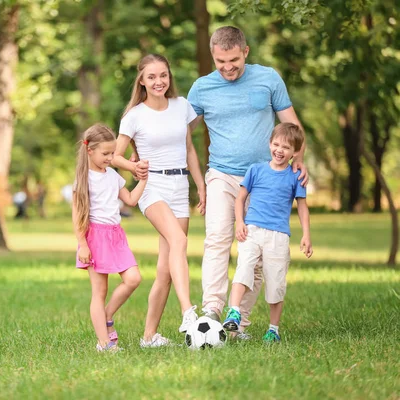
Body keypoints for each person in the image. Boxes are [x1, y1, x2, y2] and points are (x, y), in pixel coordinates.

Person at [187, 26, 308, 338]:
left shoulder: (268, 78)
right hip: (221, 174)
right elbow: (180, 132)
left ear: (246, 52)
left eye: (234, 60)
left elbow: (292, 124)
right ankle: (211, 309)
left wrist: (299, 159)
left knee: (254, 251)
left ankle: (238, 321)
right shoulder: (202, 88)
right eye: (220, 61)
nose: (227, 67)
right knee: (216, 238)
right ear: (213, 57)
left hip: (262, 179)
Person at [112, 54, 206, 348]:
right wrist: (133, 167)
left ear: (169, 76)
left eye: (163, 75)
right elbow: (114, 156)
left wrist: (200, 186)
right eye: (151, 77)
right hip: (152, 186)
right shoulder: (134, 115)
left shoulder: (182, 107)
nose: (158, 82)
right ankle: (188, 312)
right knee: (179, 241)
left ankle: (149, 336)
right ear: (141, 80)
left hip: (180, 186)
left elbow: (189, 148)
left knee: (166, 270)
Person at [222, 123, 313, 342]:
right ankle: (233, 311)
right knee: (244, 267)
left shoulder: (295, 177)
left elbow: (302, 206)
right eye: (276, 144)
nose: (280, 150)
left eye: (286, 147)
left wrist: (306, 235)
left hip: (278, 236)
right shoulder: (256, 169)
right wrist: (239, 223)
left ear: (294, 152)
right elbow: (241, 198)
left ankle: (273, 329)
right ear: (269, 143)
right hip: (252, 230)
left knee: (275, 282)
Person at [72, 123, 147, 352]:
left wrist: (143, 178)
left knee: (133, 278)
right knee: (100, 291)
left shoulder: (113, 176)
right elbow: (77, 217)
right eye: (105, 153)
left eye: (112, 153)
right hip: (95, 237)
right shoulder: (84, 179)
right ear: (90, 151)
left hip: (116, 236)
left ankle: (106, 315)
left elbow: (131, 200)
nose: (110, 157)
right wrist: (83, 245)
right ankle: (104, 343)